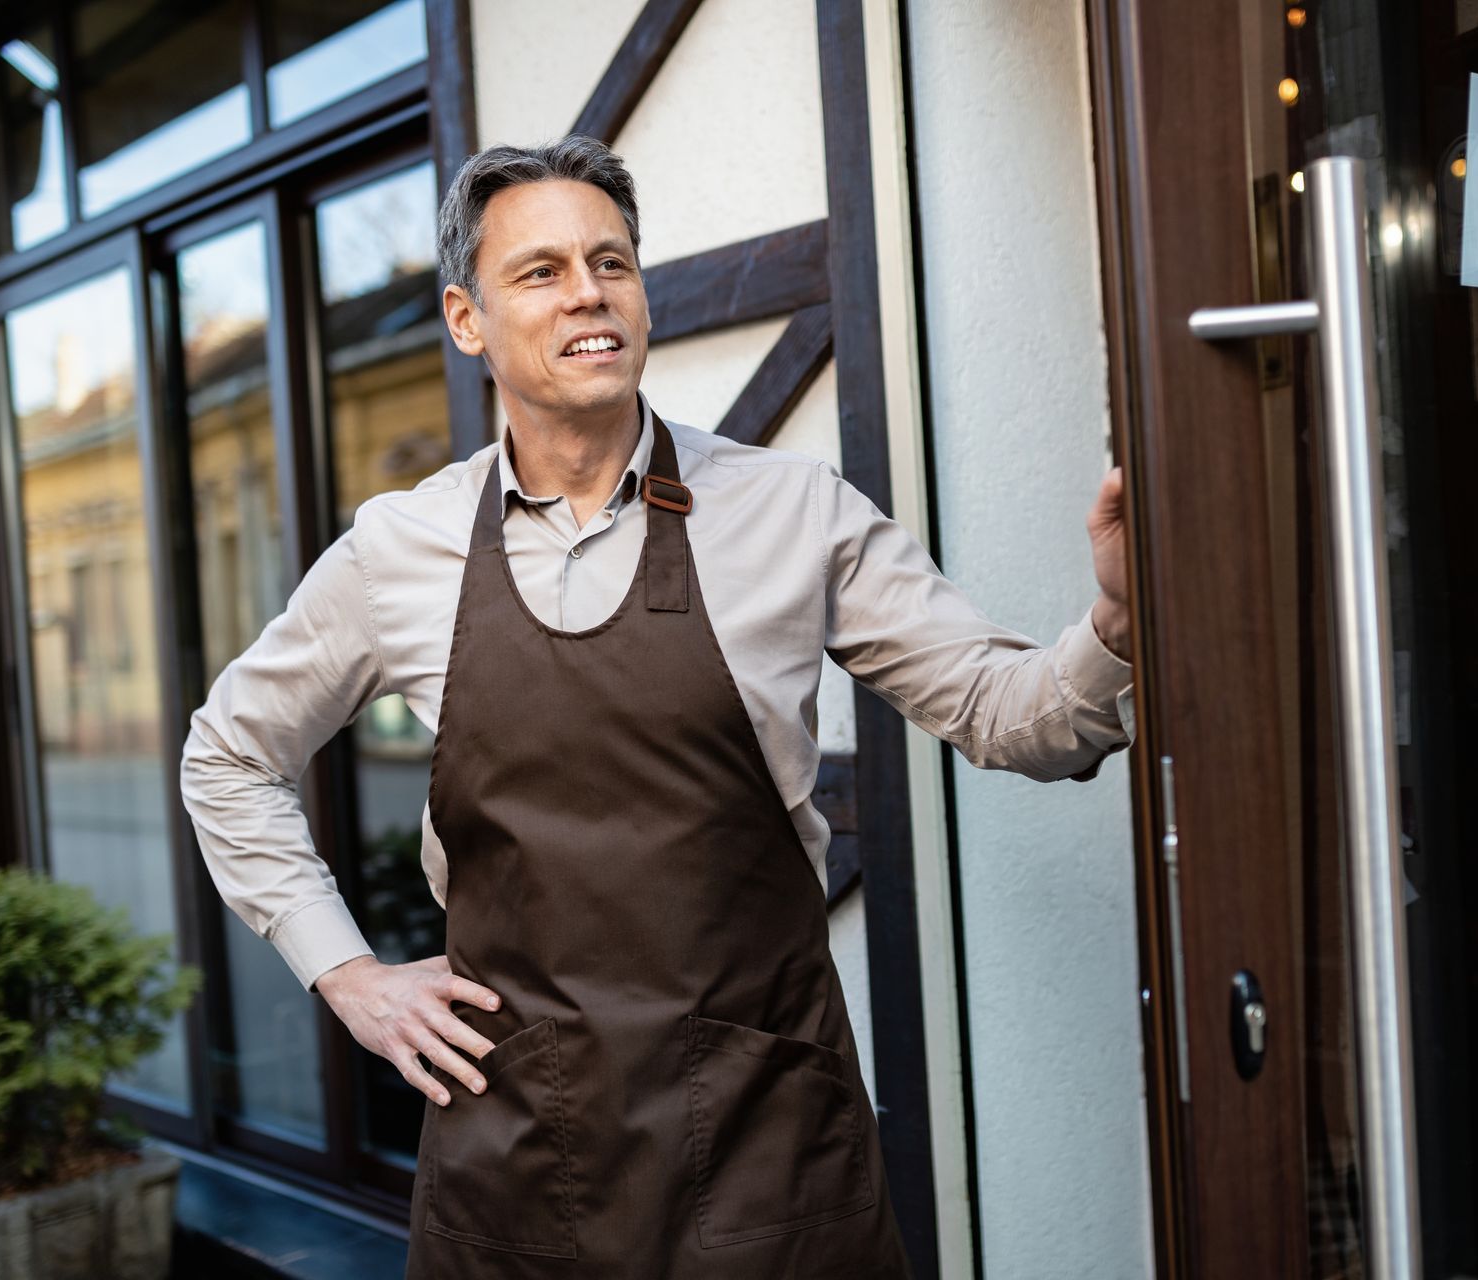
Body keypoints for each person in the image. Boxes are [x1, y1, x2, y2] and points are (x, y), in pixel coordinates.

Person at [179, 134, 1135, 1279]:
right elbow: (227, 754)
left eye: (612, 262)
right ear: (466, 317)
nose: (588, 290)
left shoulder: (793, 510)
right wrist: (347, 971)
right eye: (541, 270)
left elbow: (1010, 712)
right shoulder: (401, 549)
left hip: (770, 1152)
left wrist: (1119, 626)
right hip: (516, 1162)